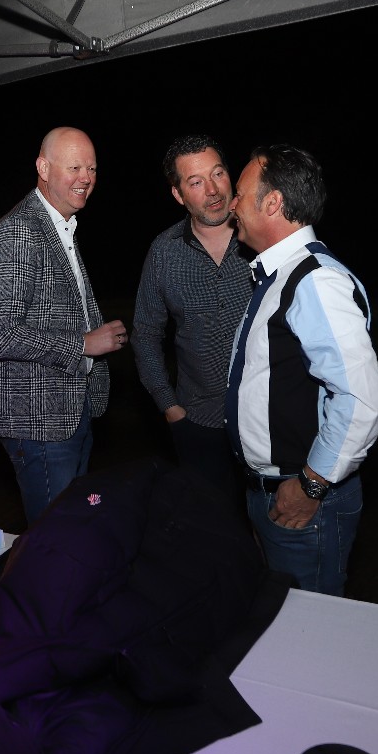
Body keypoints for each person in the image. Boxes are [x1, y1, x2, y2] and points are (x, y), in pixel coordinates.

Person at [225, 144, 378, 596]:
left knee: (310, 628)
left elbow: (362, 402)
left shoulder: (315, 281)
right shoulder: (281, 276)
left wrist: (311, 486)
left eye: (240, 194)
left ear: (273, 203)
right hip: (271, 492)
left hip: (303, 500)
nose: (232, 205)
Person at [0, 126, 127, 524]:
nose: (86, 178)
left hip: (69, 411)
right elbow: (1, 335)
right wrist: (84, 344)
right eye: (74, 167)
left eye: (92, 168)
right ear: (43, 168)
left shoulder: (59, 226)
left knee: (73, 531)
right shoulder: (19, 231)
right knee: (54, 538)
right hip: (38, 421)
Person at [133, 134, 251, 508]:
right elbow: (145, 333)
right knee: (211, 527)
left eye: (218, 174)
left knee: (273, 527)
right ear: (178, 194)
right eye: (196, 182)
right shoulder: (164, 252)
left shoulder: (263, 238)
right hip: (198, 424)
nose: (213, 190)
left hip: (268, 420)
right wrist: (170, 407)